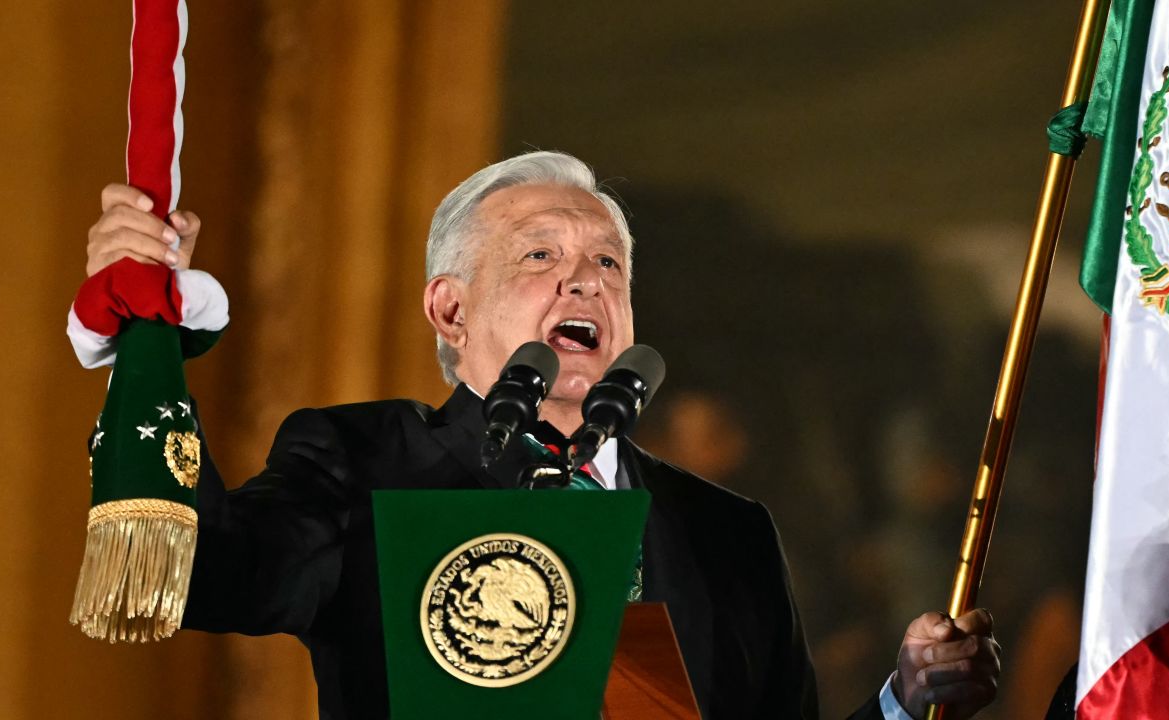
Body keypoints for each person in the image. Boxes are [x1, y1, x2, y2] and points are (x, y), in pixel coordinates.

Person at [74, 151, 1000, 719]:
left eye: (608, 263)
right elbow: (200, 571)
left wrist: (901, 699)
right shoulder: (366, 464)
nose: (585, 281)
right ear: (449, 307)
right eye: (539, 256)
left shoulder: (724, 530)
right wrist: (144, 350)